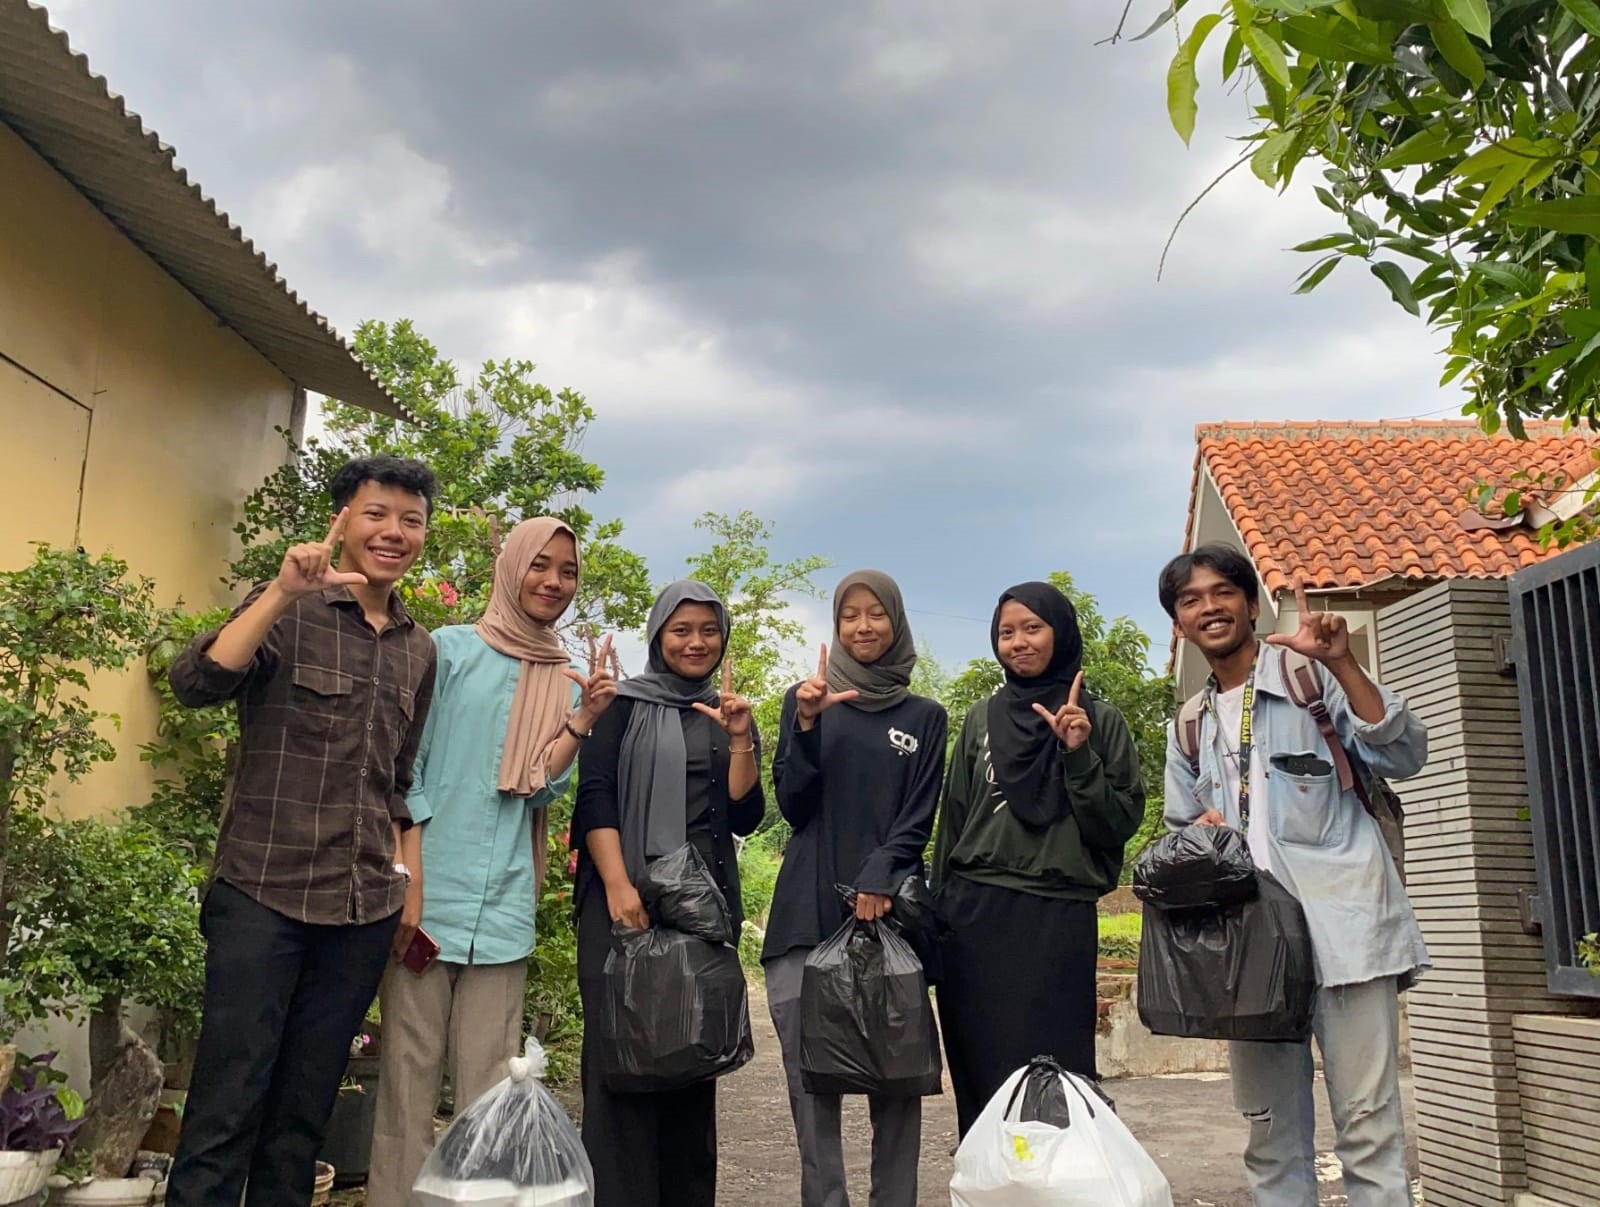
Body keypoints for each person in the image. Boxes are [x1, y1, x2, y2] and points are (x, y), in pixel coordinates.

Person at [165, 455, 438, 1207]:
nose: (394, 531)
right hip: (263, 892)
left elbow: (396, 780)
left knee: (301, 1120)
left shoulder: (420, 648)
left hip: (358, 909)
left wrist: (404, 884)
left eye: (410, 519)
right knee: (227, 1104)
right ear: (344, 519)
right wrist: (282, 592)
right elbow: (196, 682)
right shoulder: (287, 607)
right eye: (376, 513)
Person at [1159, 544, 1428, 1207]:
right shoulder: (1188, 726)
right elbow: (1177, 832)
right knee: (1270, 1137)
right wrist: (1197, 839)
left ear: (1252, 603)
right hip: (1251, 954)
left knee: (1369, 1128)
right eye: (1190, 600)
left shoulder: (1313, 680)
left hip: (1347, 935)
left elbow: (1404, 751)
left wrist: (1341, 659)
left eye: (1223, 591)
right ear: (1179, 623)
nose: (1208, 606)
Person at [367, 517, 618, 1206]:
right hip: (425, 901)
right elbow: (403, 771)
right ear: (511, 566)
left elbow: (543, 783)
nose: (553, 582)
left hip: (503, 906)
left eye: (567, 571)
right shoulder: (444, 651)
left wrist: (582, 718)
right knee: (405, 1086)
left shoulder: (565, 680)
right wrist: (407, 884)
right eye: (541, 564)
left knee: (489, 1094)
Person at [571, 580, 765, 1207]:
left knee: (688, 1062)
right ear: (658, 636)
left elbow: (744, 816)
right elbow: (594, 797)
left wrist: (740, 738)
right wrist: (618, 886)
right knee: (621, 1069)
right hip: (623, 907)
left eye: (709, 630)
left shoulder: (724, 710)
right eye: (681, 630)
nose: (696, 642)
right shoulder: (623, 705)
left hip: (700, 915)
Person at [762, 570, 949, 1207]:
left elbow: (917, 817)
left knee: (895, 1078)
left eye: (876, 615)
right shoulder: (805, 699)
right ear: (836, 626)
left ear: (896, 622)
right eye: (850, 615)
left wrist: (879, 881)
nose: (863, 627)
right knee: (809, 1080)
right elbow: (792, 804)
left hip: (887, 917)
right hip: (802, 913)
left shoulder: (925, 716)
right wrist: (808, 726)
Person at [931, 580, 1146, 1137]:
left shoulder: (1103, 721)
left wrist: (1078, 754)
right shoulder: (981, 719)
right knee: (981, 1077)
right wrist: (936, 919)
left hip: (1057, 916)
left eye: (1033, 628)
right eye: (1007, 632)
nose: (1018, 643)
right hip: (974, 917)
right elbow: (954, 820)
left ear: (1062, 633)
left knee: (1057, 1079)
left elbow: (1116, 824)